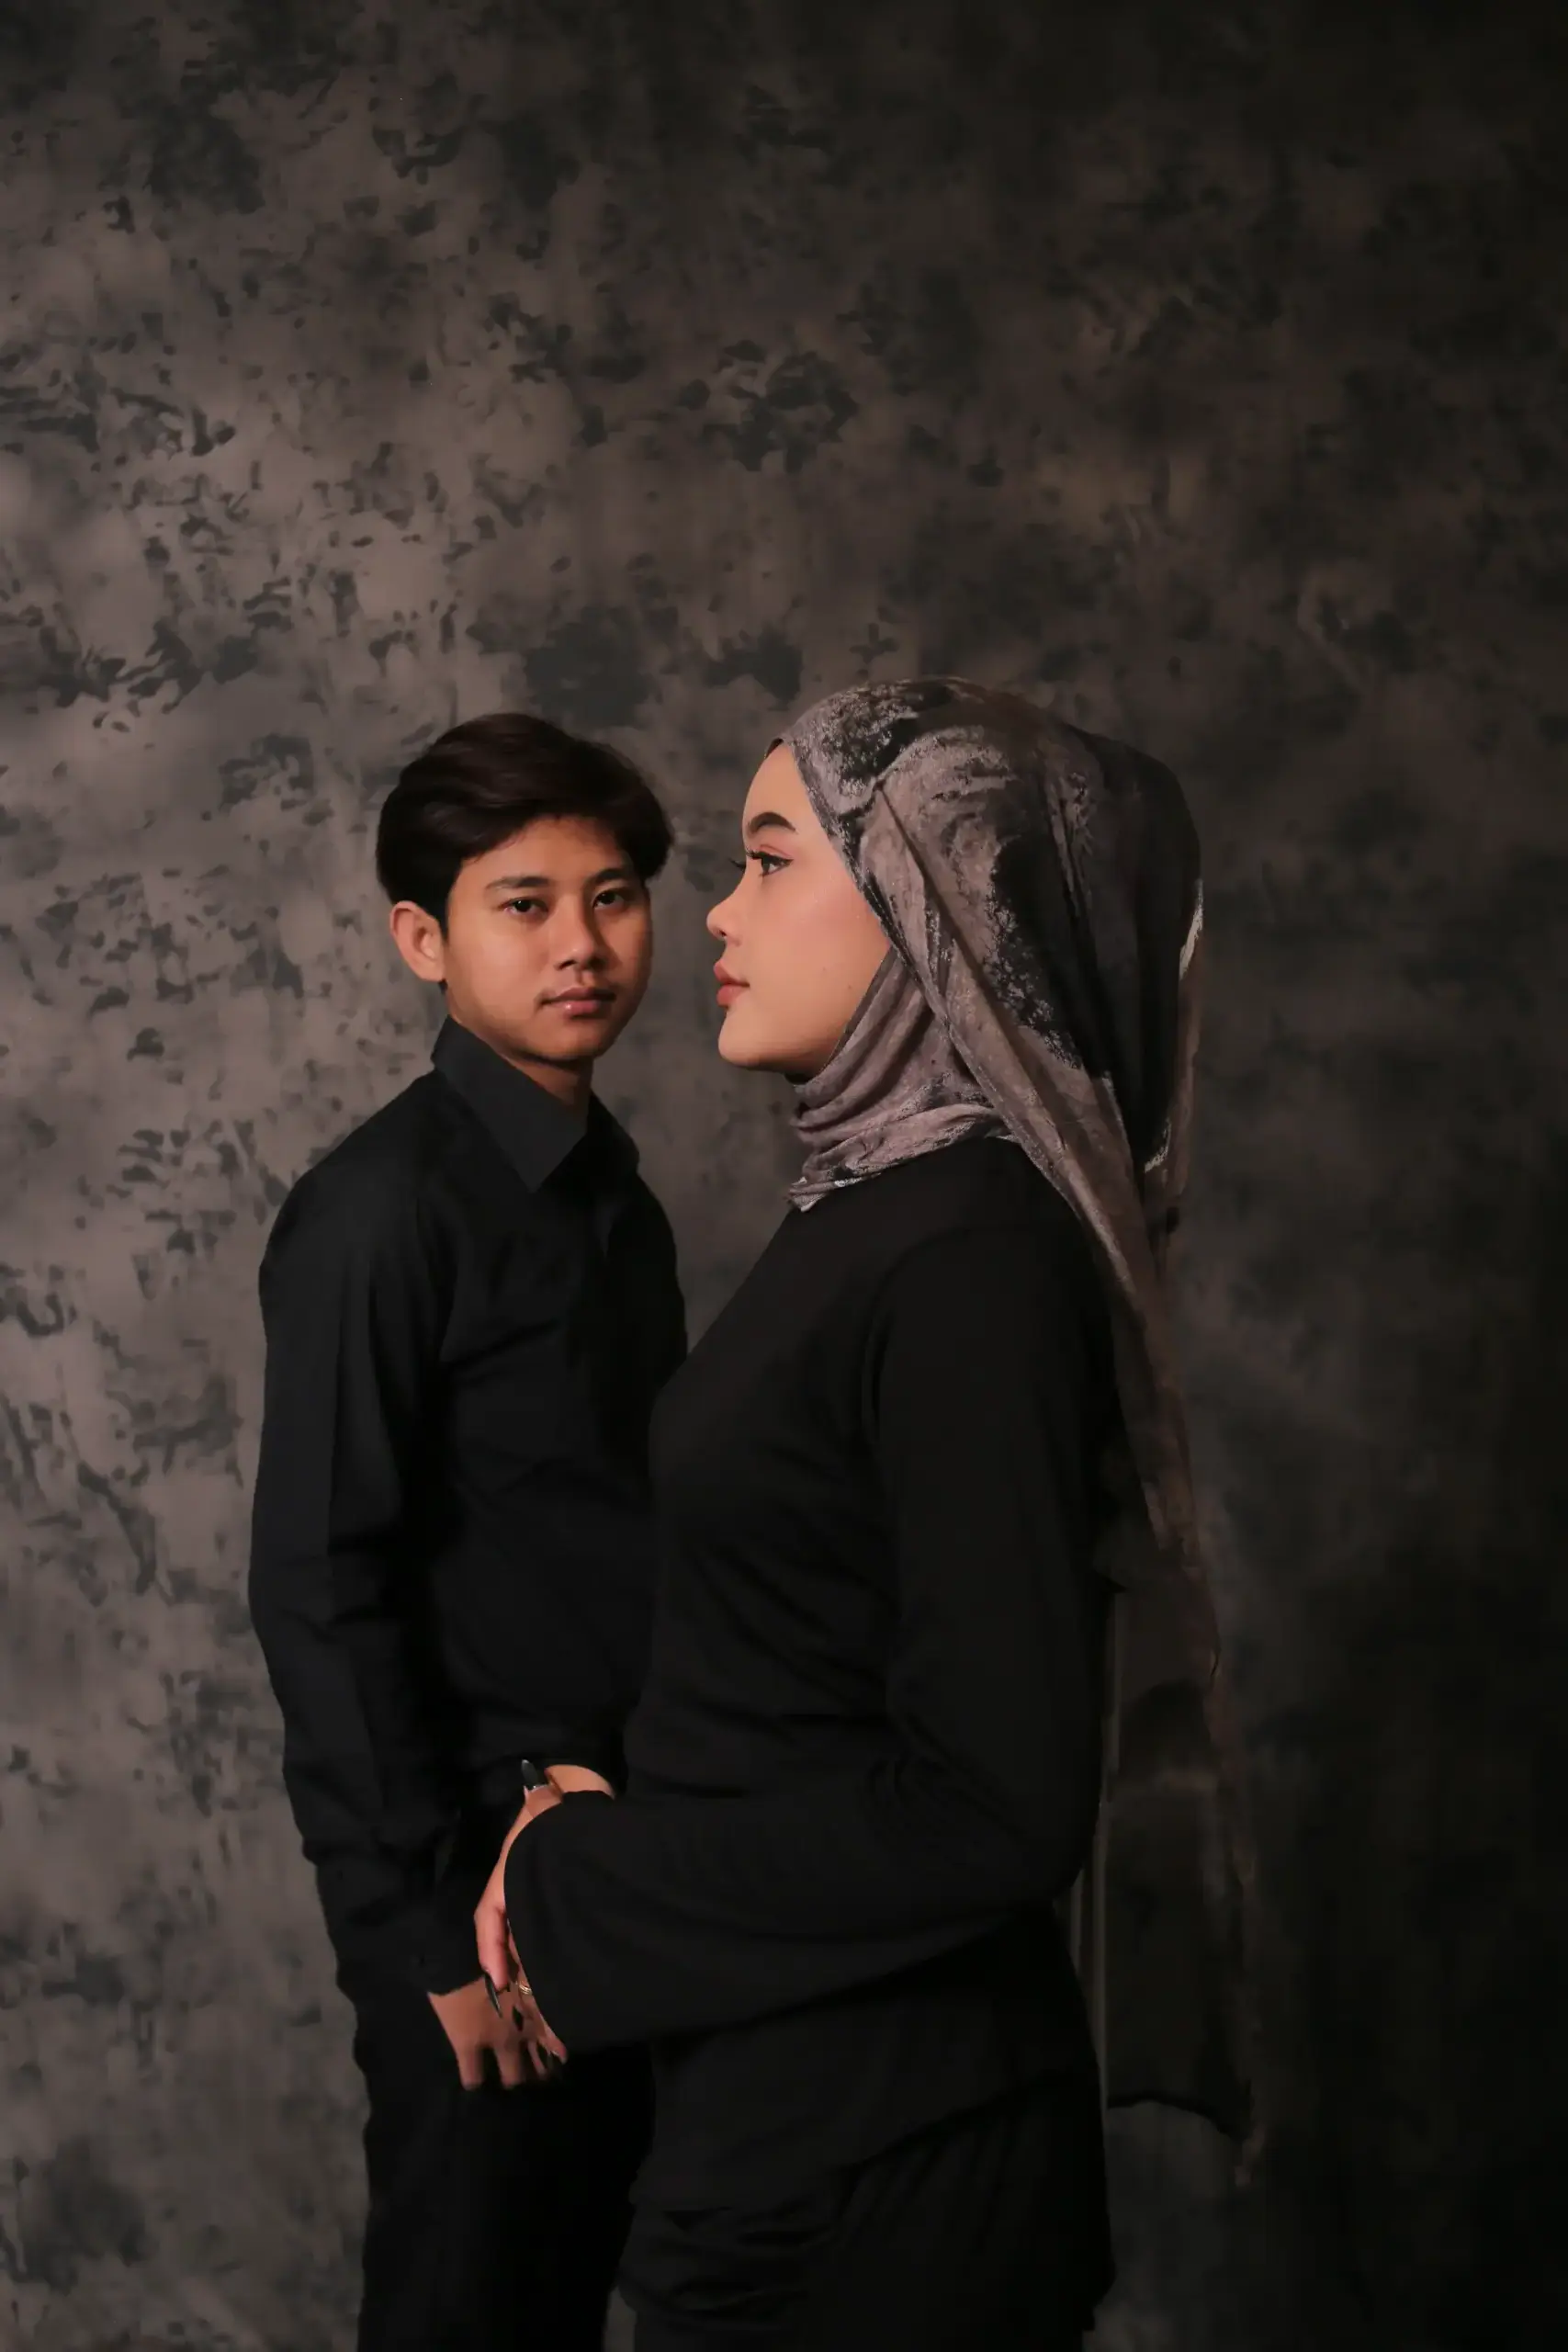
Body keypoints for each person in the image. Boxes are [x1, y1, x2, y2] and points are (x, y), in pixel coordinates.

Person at [476, 678, 1256, 2351]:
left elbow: (992, 1804)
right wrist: (577, 1792)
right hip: (783, 2138)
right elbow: (799, 1645)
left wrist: (582, 1887)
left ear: (934, 901)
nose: (714, 914)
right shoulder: (874, 1208)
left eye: (771, 861)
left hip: (885, 2179)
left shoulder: (969, 1255)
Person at [248, 712, 687, 2352]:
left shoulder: (613, 1195)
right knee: (471, 2309)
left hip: (617, 1862)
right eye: (524, 903)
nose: (581, 943)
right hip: (469, 1903)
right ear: (422, 939)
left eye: (613, 895)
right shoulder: (377, 1212)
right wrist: (425, 1941)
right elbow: (320, 1590)